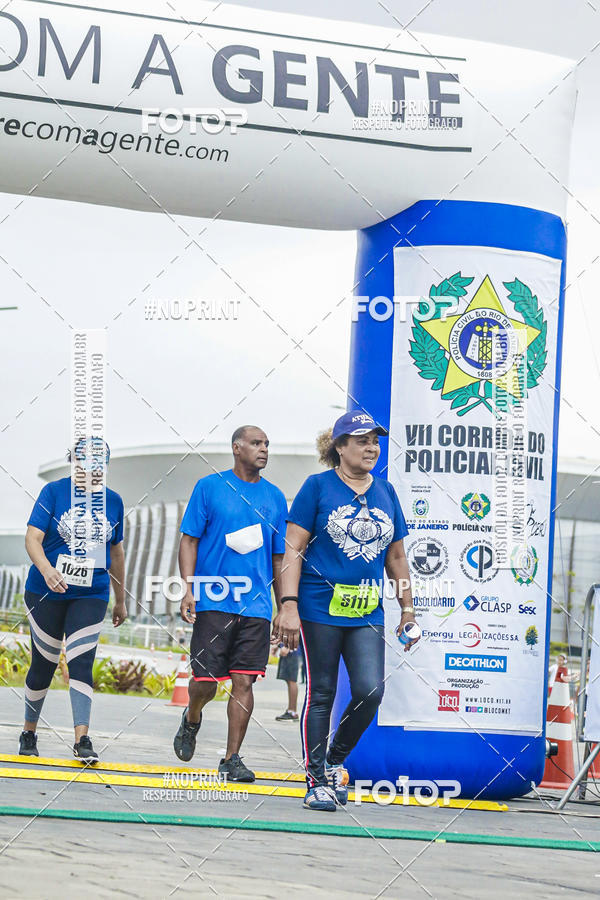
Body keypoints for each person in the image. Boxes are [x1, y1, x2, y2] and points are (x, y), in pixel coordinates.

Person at [275, 411, 419, 812]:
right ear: (339, 447)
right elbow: (293, 549)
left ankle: (334, 758)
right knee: (321, 692)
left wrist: (408, 607)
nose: (371, 447)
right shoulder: (317, 487)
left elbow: (397, 556)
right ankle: (316, 780)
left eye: (375, 440)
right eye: (361, 441)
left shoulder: (386, 492)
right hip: (319, 606)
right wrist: (288, 606)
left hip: (368, 608)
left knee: (370, 691)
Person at [174, 425, 288, 782]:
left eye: (267, 444)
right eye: (256, 443)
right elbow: (189, 540)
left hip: (255, 608)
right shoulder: (209, 487)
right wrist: (189, 588)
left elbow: (279, 557)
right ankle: (192, 717)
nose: (264, 449)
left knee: (244, 682)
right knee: (205, 682)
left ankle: (231, 758)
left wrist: (284, 605)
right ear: (237, 448)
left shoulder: (275, 497)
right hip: (214, 600)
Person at [19, 436, 127, 762]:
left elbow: (116, 552)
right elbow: (32, 538)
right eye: (86, 463)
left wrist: (120, 599)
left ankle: (83, 740)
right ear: (74, 462)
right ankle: (29, 731)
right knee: (44, 664)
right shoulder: (53, 492)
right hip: (45, 590)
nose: (92, 470)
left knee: (81, 661)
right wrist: (48, 569)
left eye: (99, 465)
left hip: (91, 592)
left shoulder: (114, 501)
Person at [275, 642, 303, 721]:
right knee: (289, 680)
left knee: (291, 680)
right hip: (290, 649)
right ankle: (291, 710)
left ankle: (292, 711)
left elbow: (295, 631)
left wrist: (286, 646)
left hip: (291, 650)